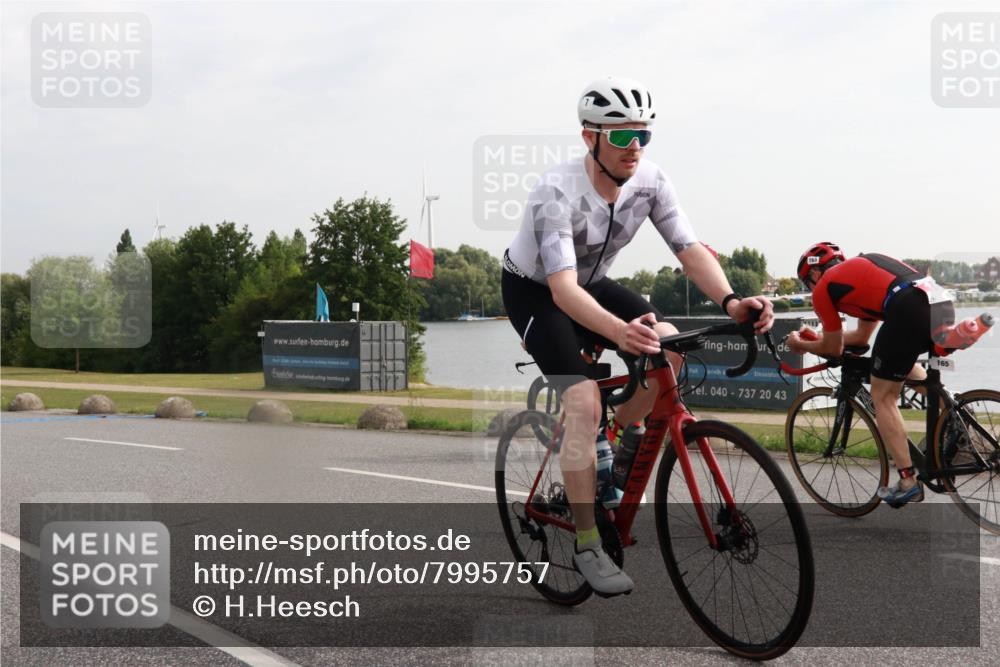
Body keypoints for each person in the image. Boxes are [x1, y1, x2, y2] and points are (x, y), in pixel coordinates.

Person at [502, 76, 773, 597]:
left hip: (592, 280)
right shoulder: (554, 191)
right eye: (622, 137)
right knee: (582, 402)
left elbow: (690, 250)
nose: (635, 148)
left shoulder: (651, 181)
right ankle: (587, 542)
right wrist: (619, 333)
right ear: (590, 138)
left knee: (668, 345)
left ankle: (620, 430)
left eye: (643, 136)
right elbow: (561, 289)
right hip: (537, 290)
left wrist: (733, 301)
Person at [786, 242, 955, 508]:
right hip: (938, 300)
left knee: (883, 395)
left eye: (807, 282)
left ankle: (908, 482)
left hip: (908, 307)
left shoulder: (825, 287)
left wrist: (800, 345)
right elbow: (861, 337)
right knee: (899, 364)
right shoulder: (862, 272)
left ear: (815, 274)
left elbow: (834, 348)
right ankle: (956, 423)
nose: (810, 289)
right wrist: (818, 337)